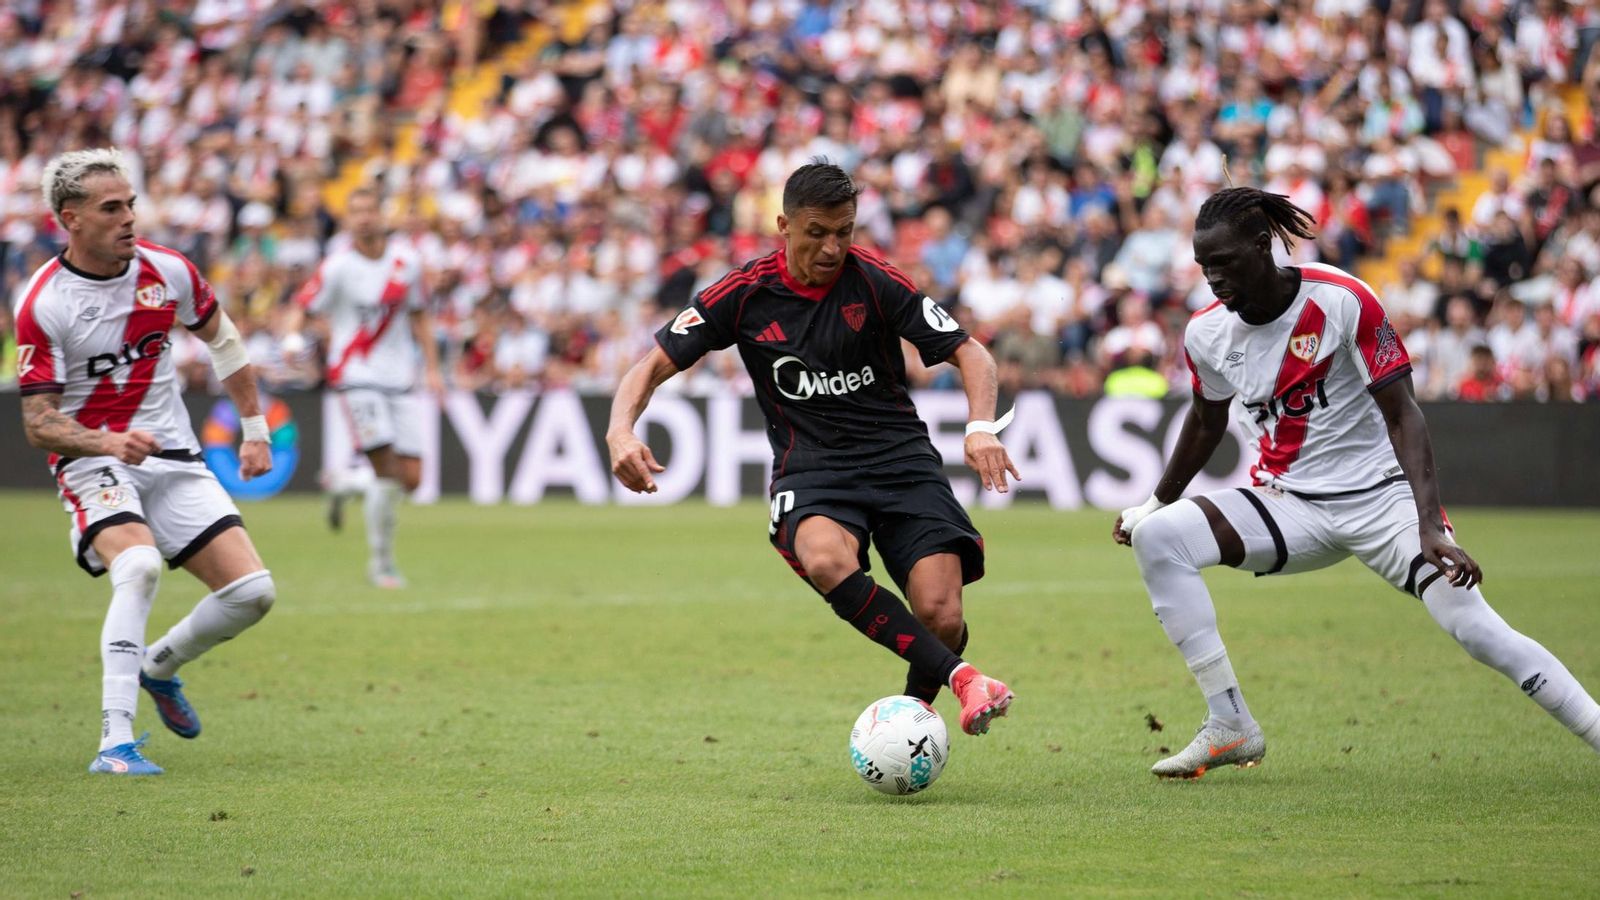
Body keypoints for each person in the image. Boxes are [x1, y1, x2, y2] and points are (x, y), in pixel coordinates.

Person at [1113, 187, 1600, 779]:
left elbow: (1404, 414)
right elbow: (1207, 420)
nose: (1214, 279)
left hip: (1382, 499)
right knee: (1159, 538)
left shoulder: (1341, 298)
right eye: (1204, 267)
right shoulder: (1206, 333)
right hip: (1286, 502)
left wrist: (1429, 524)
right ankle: (1231, 724)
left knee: (1475, 629)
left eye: (1226, 263)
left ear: (1264, 246)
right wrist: (1154, 502)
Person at [607, 162, 1016, 736]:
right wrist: (621, 430)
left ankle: (913, 723)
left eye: (844, 231)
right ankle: (964, 681)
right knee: (826, 558)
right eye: (817, 232)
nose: (832, 247)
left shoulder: (875, 280)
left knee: (941, 616)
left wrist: (980, 426)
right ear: (784, 226)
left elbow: (971, 353)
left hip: (900, 459)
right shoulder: (744, 293)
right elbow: (650, 366)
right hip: (814, 467)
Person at [14, 148, 278, 775]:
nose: (129, 217)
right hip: (92, 462)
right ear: (70, 219)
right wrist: (107, 442)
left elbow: (224, 339)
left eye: (131, 203)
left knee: (254, 594)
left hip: (174, 454)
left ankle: (159, 667)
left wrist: (255, 428)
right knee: (137, 565)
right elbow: (38, 422)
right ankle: (115, 741)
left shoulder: (167, 271)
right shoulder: (44, 301)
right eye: (112, 208)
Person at [287, 187, 443, 588]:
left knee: (412, 478)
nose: (363, 218)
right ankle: (382, 564)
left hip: (400, 378)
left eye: (370, 209)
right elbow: (302, 308)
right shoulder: (338, 267)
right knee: (387, 471)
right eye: (355, 211)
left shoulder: (406, 263)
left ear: (382, 214)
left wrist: (433, 370)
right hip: (355, 376)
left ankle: (343, 484)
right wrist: (292, 341)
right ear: (348, 219)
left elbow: (421, 317)